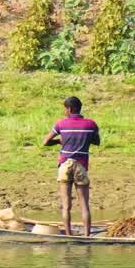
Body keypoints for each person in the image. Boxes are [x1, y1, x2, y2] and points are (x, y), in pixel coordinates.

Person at [42, 96, 100, 236]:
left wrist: (58, 142)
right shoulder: (91, 124)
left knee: (66, 205)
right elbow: (97, 141)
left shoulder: (61, 124)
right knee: (84, 205)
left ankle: (68, 235)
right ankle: (87, 235)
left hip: (65, 164)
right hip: (81, 165)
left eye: (65, 109)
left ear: (69, 109)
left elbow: (45, 142)